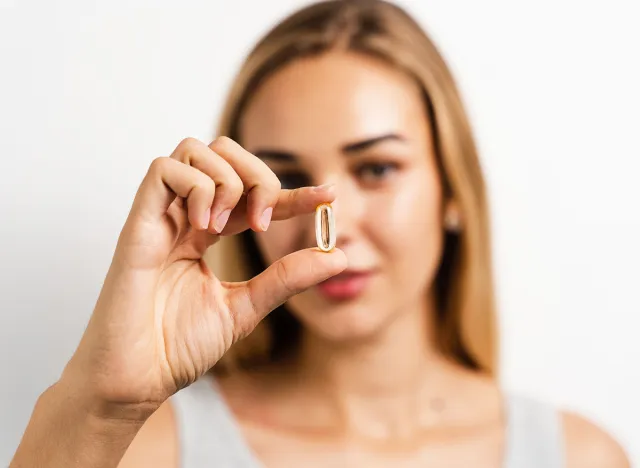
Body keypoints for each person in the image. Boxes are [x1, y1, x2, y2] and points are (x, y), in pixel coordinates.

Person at [10, 1, 630, 467]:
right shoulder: (151, 448)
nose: (328, 232)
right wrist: (101, 405)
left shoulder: (579, 456)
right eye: (286, 177)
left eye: (378, 169)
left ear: (452, 192)